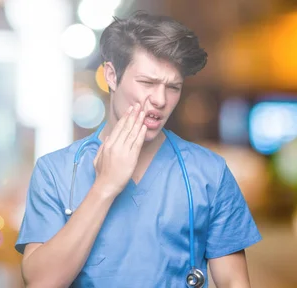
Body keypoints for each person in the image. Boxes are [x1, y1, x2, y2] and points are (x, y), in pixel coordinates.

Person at [14, 12, 261, 287]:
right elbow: (40, 281)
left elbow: (235, 283)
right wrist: (104, 187)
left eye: (173, 87)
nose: (160, 100)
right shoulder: (55, 172)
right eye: (147, 83)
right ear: (111, 75)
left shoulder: (209, 173)